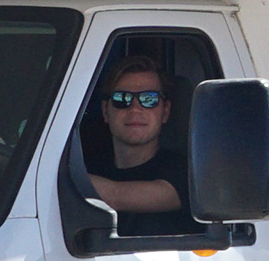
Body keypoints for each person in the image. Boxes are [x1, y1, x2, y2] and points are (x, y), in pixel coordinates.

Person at [78, 53, 190, 231]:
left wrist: (52, 175)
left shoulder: (186, 173)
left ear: (165, 111)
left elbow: (116, 196)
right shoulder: (87, 167)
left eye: (149, 99)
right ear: (106, 111)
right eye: (122, 99)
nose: (135, 108)